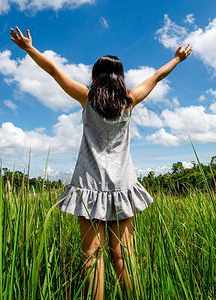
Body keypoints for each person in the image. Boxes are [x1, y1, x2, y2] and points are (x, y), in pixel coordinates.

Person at [10, 26, 192, 299]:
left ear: (96, 76)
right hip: (121, 184)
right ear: (120, 77)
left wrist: (29, 49)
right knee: (124, 258)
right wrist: (177, 58)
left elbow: (53, 71)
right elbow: (157, 76)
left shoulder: (87, 98)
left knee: (92, 259)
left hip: (89, 185)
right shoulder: (129, 101)